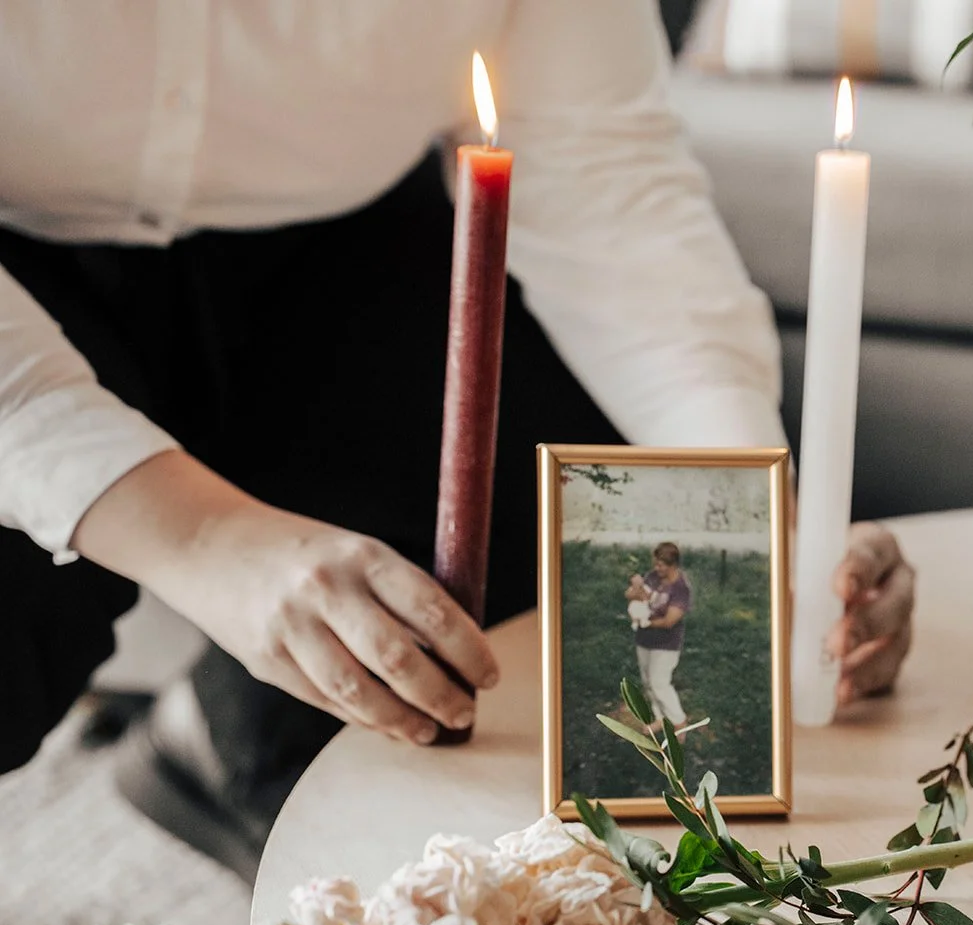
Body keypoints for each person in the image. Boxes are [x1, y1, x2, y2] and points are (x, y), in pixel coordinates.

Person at [0, 2, 915, 874]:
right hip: (23, 261)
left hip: (338, 242)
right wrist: (202, 539)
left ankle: (228, 744)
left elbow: (607, 185)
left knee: (534, 613)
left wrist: (750, 529)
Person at [628, 543, 693, 727]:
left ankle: (679, 721)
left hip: (666, 643)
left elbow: (669, 621)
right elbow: (639, 596)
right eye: (655, 564)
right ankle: (659, 718)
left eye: (661, 565)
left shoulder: (681, 588)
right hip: (644, 640)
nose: (656, 568)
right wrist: (637, 588)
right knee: (647, 681)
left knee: (659, 683)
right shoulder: (653, 576)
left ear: (673, 565)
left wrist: (645, 622)